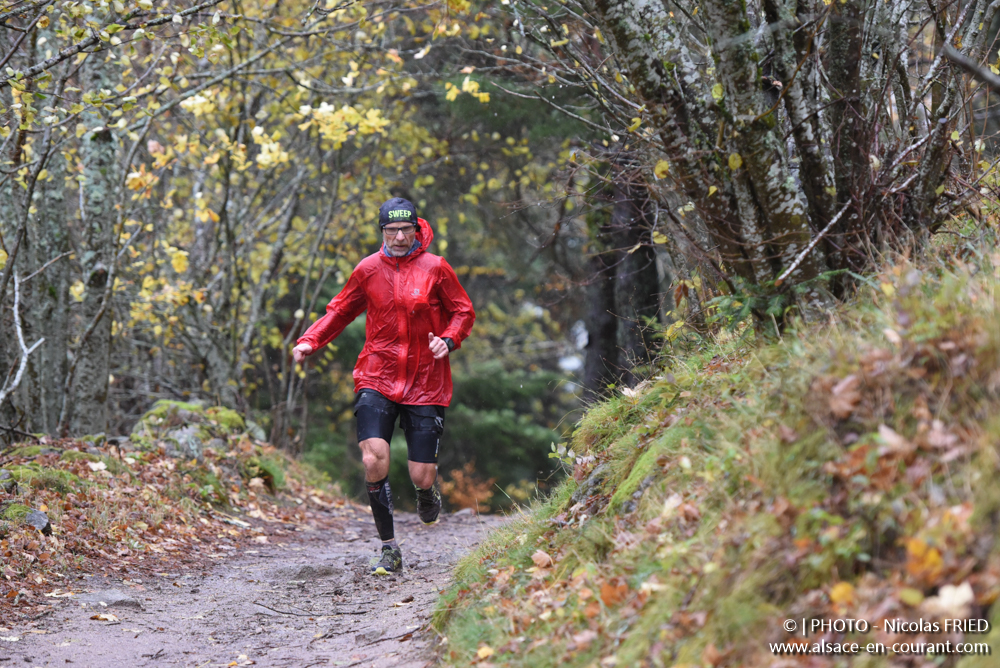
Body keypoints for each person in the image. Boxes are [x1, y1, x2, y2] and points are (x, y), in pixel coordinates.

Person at [292, 197, 475, 575]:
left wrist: (450, 339)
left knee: (420, 473)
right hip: (377, 373)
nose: (398, 237)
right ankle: (389, 548)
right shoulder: (368, 269)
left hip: (426, 380)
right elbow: (340, 310)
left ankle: (427, 492)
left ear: (416, 229)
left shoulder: (436, 268)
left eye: (405, 229)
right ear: (382, 232)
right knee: (373, 456)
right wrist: (310, 340)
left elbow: (463, 311)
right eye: (390, 230)